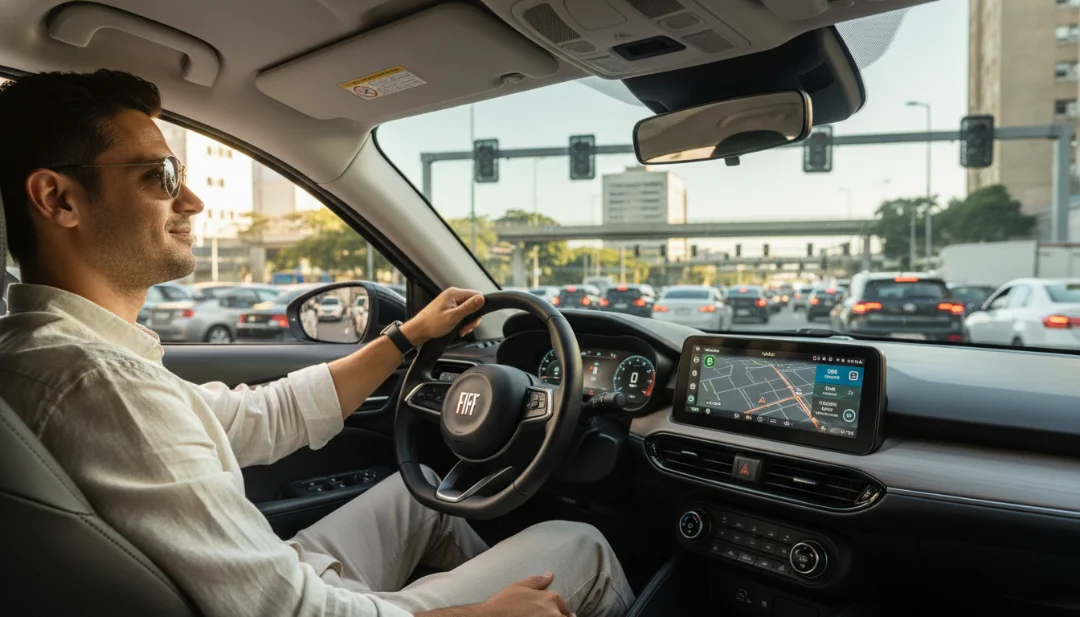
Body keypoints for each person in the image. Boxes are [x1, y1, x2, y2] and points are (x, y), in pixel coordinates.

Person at [0, 70, 633, 617]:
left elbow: (262, 418)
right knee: (580, 545)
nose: (190, 199)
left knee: (432, 500)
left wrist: (406, 337)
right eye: (160, 175)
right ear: (58, 199)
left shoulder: (56, 356)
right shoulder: (99, 385)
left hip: (268, 583)